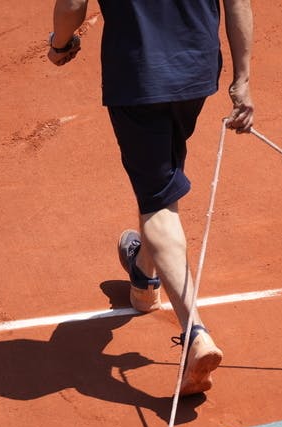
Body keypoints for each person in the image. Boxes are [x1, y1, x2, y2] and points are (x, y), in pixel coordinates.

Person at [47, 0, 254, 396]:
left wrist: (60, 45)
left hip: (140, 77)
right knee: (162, 172)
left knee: (158, 201)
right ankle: (144, 276)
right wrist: (242, 79)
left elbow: (72, 5)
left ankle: (195, 333)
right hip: (196, 73)